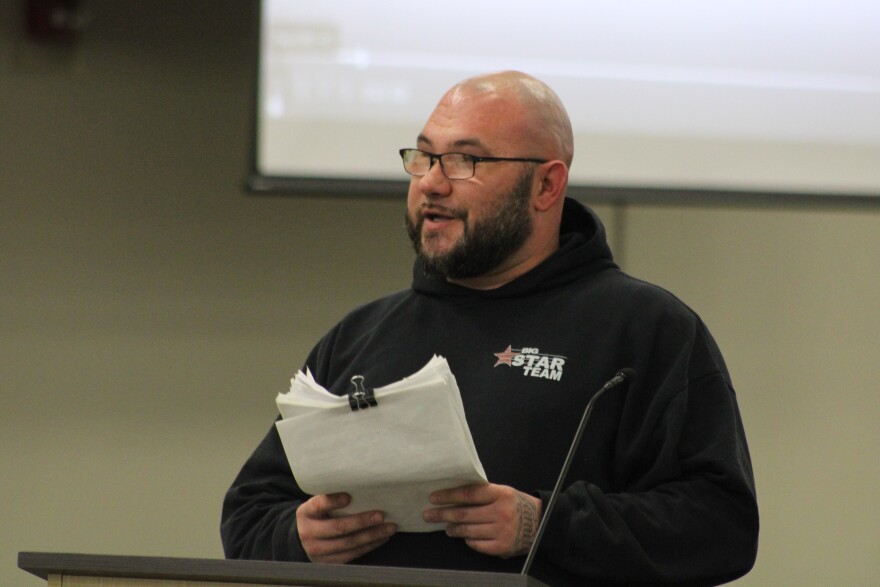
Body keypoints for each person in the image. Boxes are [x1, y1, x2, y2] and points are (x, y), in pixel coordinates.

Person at [221, 71, 759, 586]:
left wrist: (544, 524)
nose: (430, 183)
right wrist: (300, 537)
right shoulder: (362, 335)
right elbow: (249, 514)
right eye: (424, 157)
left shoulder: (646, 329)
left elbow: (721, 527)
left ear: (546, 185)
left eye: (464, 161)